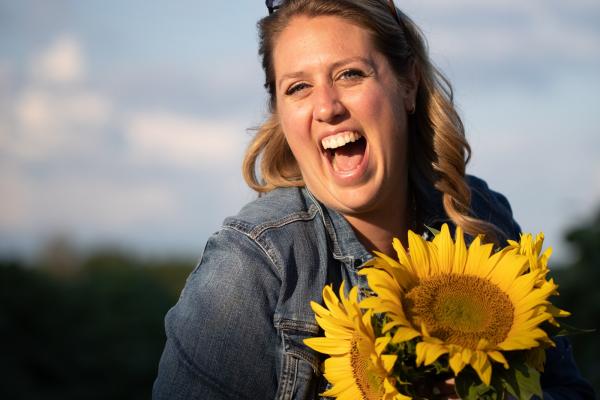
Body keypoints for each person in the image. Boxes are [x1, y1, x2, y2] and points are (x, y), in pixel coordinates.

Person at [153, 0, 595, 399]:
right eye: (298, 87)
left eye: (350, 74)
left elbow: (568, 390)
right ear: (280, 114)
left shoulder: (479, 216)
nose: (327, 107)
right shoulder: (252, 266)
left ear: (407, 85)